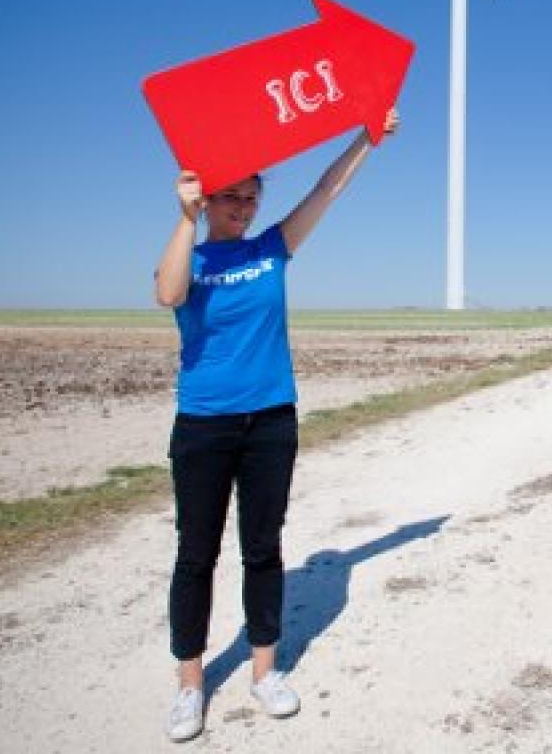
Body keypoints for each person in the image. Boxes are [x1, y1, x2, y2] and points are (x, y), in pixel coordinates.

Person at [154, 110, 399, 742]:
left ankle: (265, 671)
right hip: (204, 426)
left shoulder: (272, 250)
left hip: (270, 422)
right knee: (195, 554)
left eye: (250, 198)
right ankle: (190, 686)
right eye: (230, 197)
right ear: (208, 199)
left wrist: (367, 137)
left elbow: (326, 190)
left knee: (262, 548)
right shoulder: (194, 253)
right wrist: (185, 218)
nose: (240, 207)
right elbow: (168, 293)